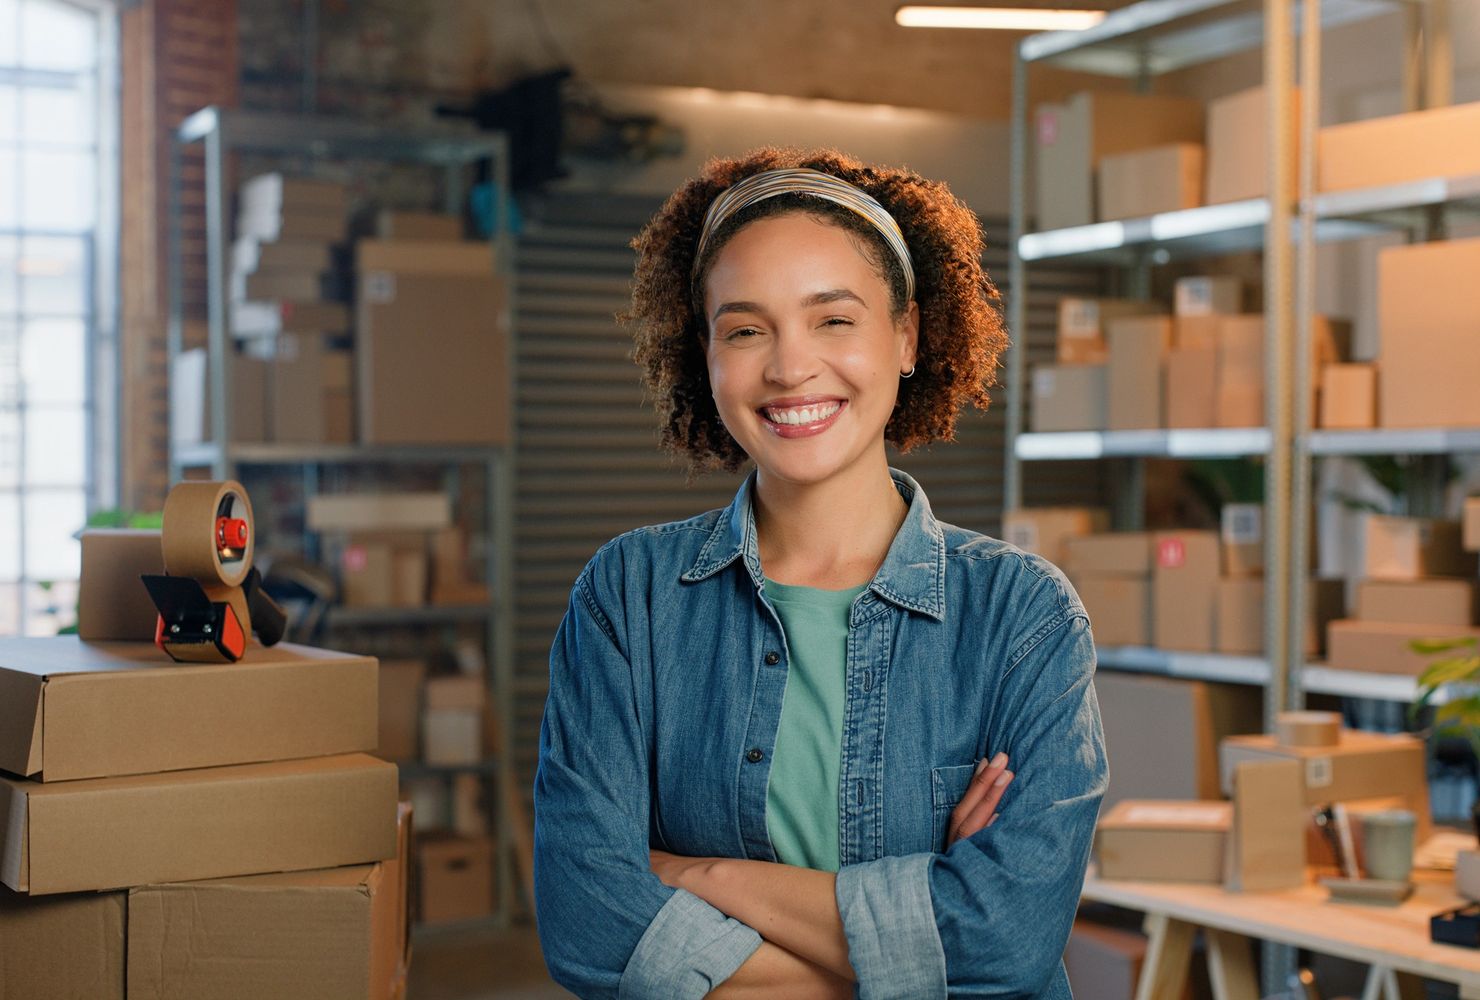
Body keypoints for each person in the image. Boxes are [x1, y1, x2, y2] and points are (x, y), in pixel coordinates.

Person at [533, 147, 1107, 999]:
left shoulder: (1022, 616)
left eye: (833, 320)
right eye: (745, 328)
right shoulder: (628, 597)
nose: (790, 367)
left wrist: (701, 878)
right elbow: (590, 929)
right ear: (707, 353)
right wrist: (912, 943)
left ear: (907, 334)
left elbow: (1007, 942)